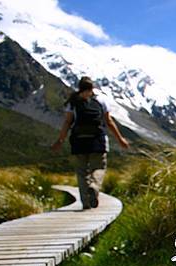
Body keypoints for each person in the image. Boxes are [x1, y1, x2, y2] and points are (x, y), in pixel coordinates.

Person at [52, 76, 129, 209]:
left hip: (78, 141)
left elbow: (67, 122)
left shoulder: (73, 102)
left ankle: (86, 204)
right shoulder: (101, 100)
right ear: (92, 88)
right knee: (98, 167)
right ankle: (94, 186)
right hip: (98, 140)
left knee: (82, 172)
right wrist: (120, 138)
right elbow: (109, 122)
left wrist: (60, 140)